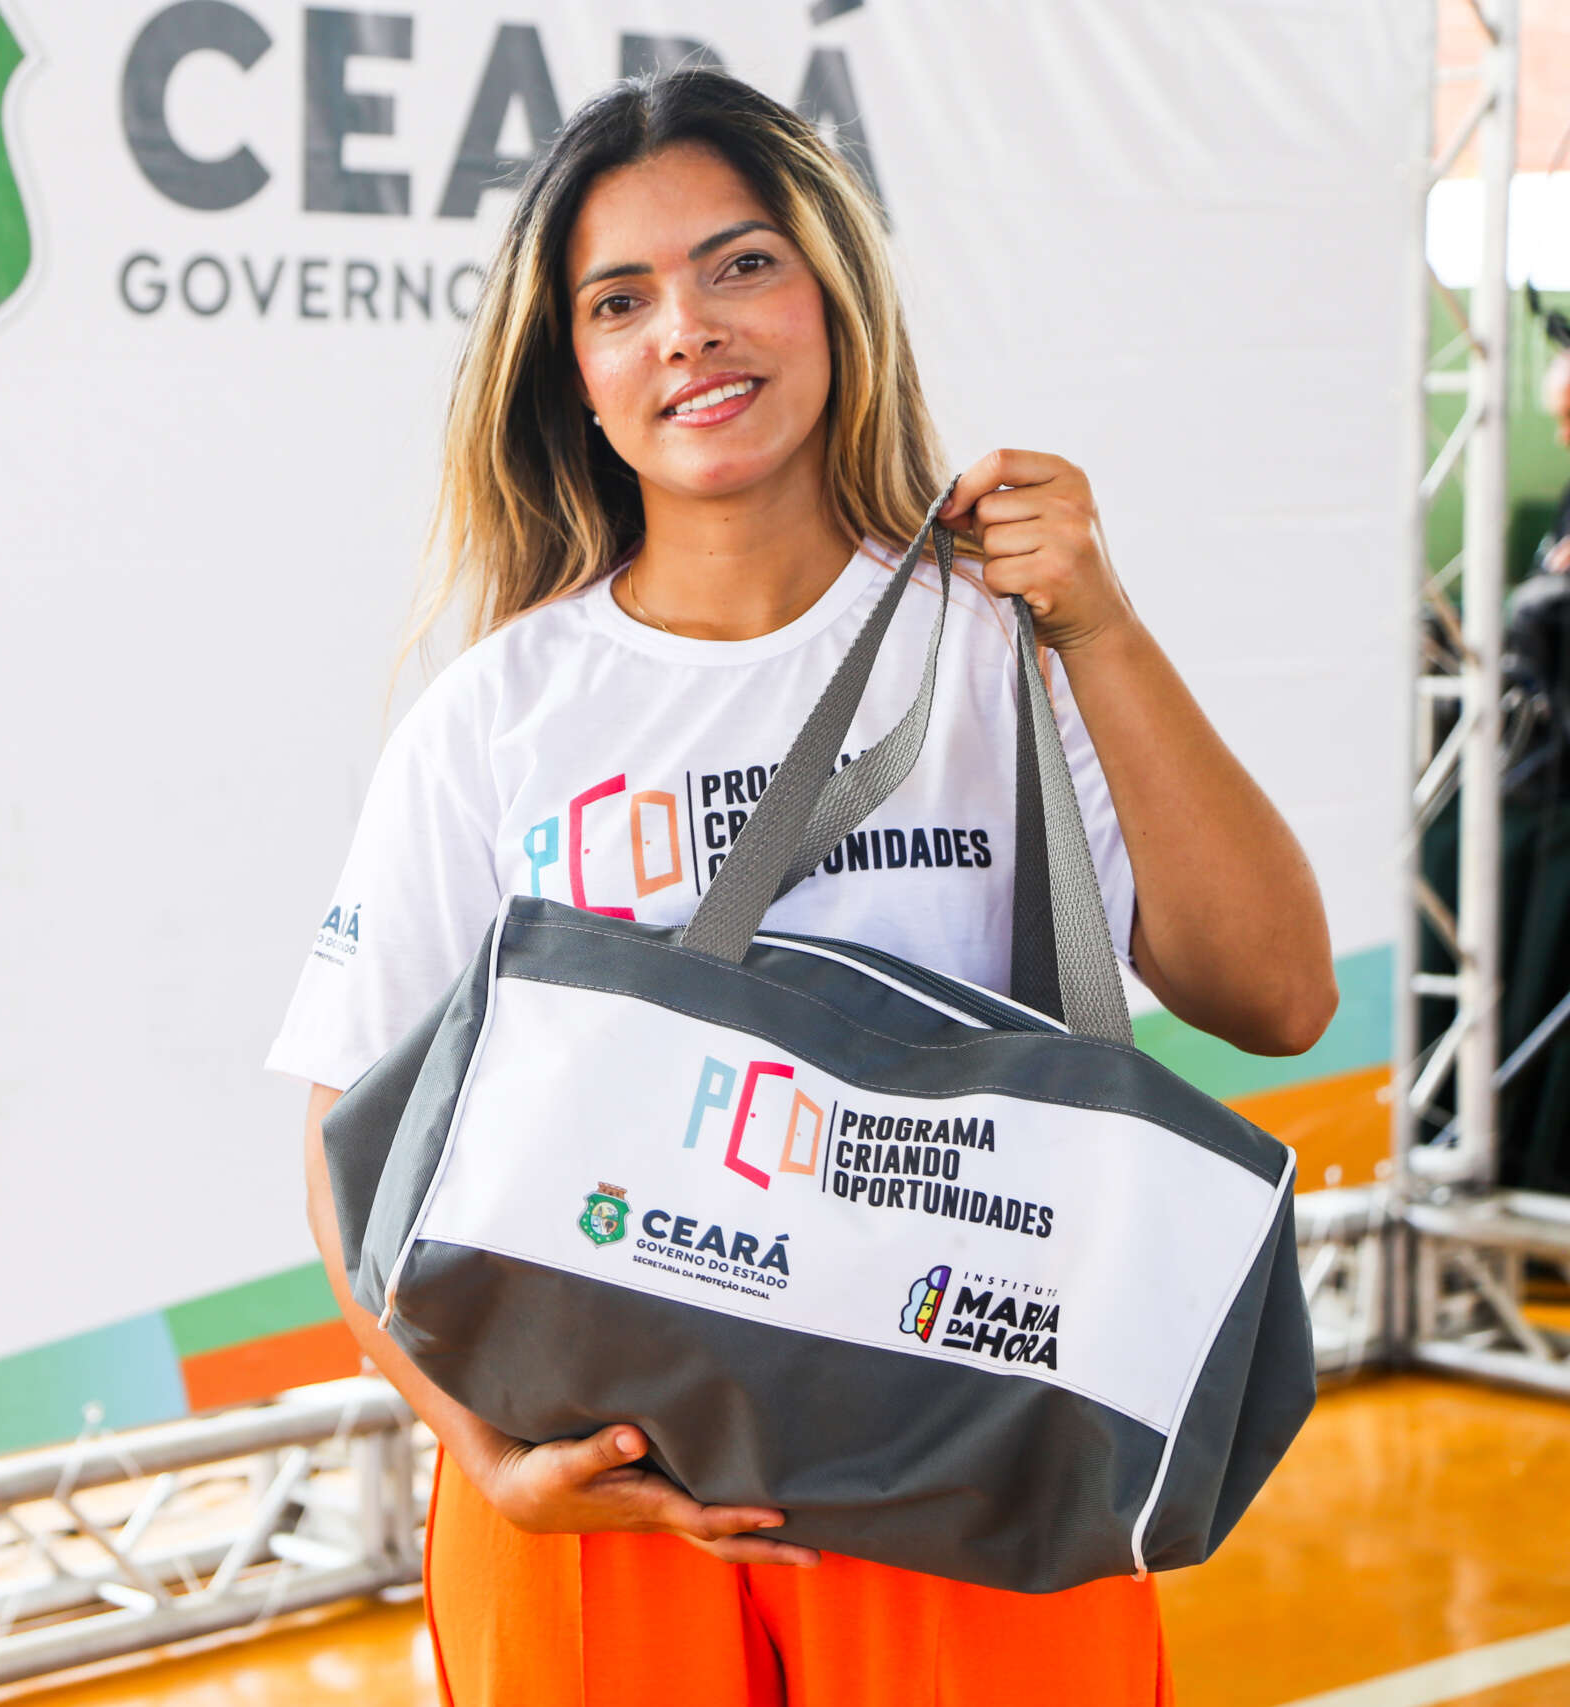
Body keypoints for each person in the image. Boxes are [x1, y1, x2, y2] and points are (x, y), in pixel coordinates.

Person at [263, 69, 1337, 1707]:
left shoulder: (1008, 649)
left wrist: (1104, 631)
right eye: (619, 301)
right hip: (604, 1487)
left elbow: (1279, 996)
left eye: (741, 265)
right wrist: (484, 1457)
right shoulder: (495, 716)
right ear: (575, 378)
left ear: (834, 298)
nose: (686, 329)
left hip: (972, 1462)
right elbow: (354, 1144)